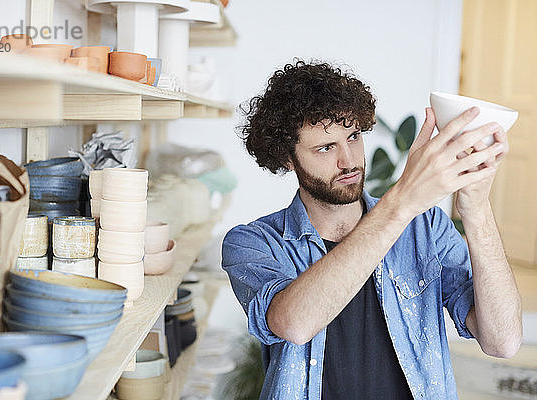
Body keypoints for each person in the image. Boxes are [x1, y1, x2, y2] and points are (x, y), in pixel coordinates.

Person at [221, 61, 522, 400]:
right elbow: (293, 324)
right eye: (325, 147)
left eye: (353, 137)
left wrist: (477, 209)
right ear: (288, 158)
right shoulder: (255, 242)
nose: (348, 160)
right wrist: (404, 199)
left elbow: (503, 341)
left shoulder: (427, 228)